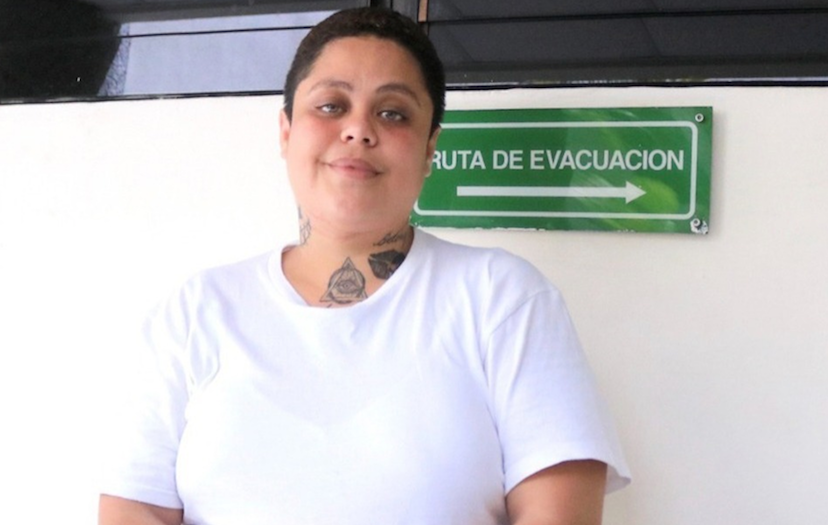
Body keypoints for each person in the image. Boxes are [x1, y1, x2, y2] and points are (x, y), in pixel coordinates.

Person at [99, 7, 630, 525]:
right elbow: (134, 508)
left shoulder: (504, 300)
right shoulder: (195, 312)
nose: (358, 129)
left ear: (430, 148)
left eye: (393, 112)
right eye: (331, 105)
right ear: (286, 132)